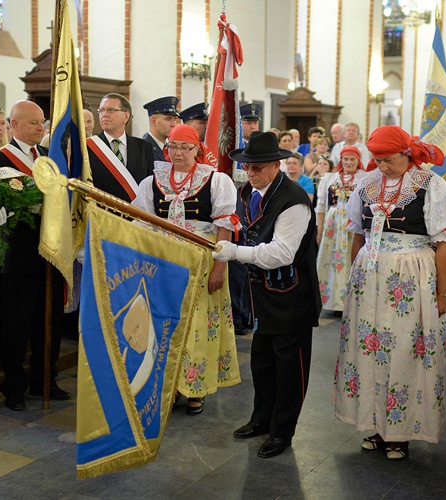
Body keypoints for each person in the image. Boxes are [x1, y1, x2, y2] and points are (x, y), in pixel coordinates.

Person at [333, 125, 446, 461]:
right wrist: (353, 280)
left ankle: (401, 432)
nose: (382, 166)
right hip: (370, 279)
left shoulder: (430, 184)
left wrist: (444, 294)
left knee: (405, 349)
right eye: (377, 160)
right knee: (371, 349)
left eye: (388, 159)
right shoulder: (367, 183)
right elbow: (358, 235)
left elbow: (444, 244)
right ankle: (375, 424)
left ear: (406, 154)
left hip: (411, 278)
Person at [213, 131, 321, 459]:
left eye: (258, 167)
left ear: (276, 165)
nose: (250, 172)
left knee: (289, 369)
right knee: (262, 363)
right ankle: (261, 418)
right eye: (247, 166)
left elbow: (281, 253)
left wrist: (235, 252)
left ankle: (282, 431)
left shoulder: (294, 200)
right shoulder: (248, 191)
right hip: (261, 295)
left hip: (292, 296)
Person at [133, 123, 241, 415]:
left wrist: (219, 268)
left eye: (185, 147)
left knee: (197, 324)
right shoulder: (151, 182)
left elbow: (224, 227)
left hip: (202, 263)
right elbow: (141, 224)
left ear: (197, 149)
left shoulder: (216, 181)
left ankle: (195, 387)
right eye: (173, 147)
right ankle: (168, 387)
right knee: (164, 323)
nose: (178, 153)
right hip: (163, 263)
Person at [0, 100, 70, 411]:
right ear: (14, 125)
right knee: (17, 324)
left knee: (50, 321)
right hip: (20, 253)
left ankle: (45, 379)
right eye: (33, 122)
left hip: (51, 251)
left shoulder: (47, 156)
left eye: (42, 122)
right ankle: (14, 386)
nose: (40, 127)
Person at [316, 146, 365, 314]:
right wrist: (320, 229)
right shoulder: (330, 179)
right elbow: (321, 205)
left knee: (350, 260)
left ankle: (349, 301)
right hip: (333, 226)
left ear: (358, 161)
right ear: (341, 160)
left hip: (353, 226)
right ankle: (332, 301)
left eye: (352, 159)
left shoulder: (363, 179)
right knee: (330, 261)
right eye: (346, 159)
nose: (349, 162)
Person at [86, 93, 154, 202]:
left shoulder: (144, 148)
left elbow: (150, 188)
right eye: (101, 110)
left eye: (111, 110)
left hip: (136, 211)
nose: (104, 114)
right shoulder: (88, 147)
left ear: (126, 116)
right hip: (102, 211)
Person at [142, 96, 180, 162]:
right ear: (154, 121)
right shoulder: (143, 150)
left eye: (175, 119)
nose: (173, 124)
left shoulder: (170, 148)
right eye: (168, 119)